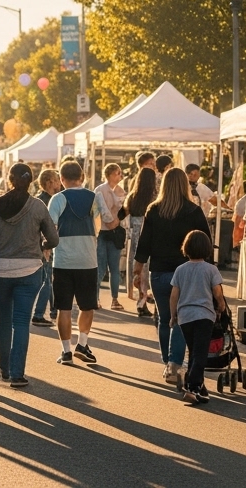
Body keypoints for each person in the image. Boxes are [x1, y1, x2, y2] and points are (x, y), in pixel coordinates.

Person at [0, 163, 59, 388]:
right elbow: (53, 239)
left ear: (9, 179)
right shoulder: (38, 207)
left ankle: (4, 368)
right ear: (32, 181)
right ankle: (17, 374)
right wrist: (40, 244)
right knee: (21, 322)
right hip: (29, 269)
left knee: (3, 319)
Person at [132, 167, 209, 387]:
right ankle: (175, 363)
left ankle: (168, 362)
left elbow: (144, 242)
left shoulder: (154, 210)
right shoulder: (193, 211)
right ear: (185, 184)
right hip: (186, 272)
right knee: (180, 319)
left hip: (159, 272)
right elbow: (205, 242)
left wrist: (138, 269)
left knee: (164, 318)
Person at [47, 160, 103, 365]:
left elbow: (50, 225)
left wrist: (47, 247)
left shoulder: (57, 198)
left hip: (63, 260)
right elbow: (100, 223)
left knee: (64, 308)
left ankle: (66, 352)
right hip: (88, 259)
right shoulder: (93, 197)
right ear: (81, 177)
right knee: (87, 306)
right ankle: (83, 343)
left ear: (61, 179)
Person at [171, 230, 227, 405]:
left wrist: (173, 315)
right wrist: (221, 305)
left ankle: (199, 387)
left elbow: (174, 295)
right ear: (207, 248)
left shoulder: (180, 270)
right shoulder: (211, 269)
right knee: (201, 352)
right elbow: (217, 292)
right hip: (204, 315)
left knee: (194, 350)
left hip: (185, 316)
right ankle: (193, 387)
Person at [125, 152, 157, 309]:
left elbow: (124, 213)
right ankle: (147, 298)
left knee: (139, 268)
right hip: (151, 235)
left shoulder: (132, 196)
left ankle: (141, 298)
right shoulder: (154, 197)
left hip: (135, 237)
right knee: (149, 268)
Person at [94, 163, 127, 311]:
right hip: (102, 232)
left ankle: (114, 299)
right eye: (117, 173)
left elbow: (124, 212)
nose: (120, 176)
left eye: (120, 173)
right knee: (100, 267)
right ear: (110, 174)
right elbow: (96, 212)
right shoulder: (100, 190)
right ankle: (95, 298)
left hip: (115, 232)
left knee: (114, 267)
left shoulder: (121, 191)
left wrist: (116, 221)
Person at [31, 169, 62, 327]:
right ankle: (38, 314)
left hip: (40, 245)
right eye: (57, 180)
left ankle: (54, 309)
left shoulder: (39, 199)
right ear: (50, 182)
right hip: (44, 247)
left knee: (48, 279)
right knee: (46, 281)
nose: (59, 183)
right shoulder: (49, 201)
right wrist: (47, 246)